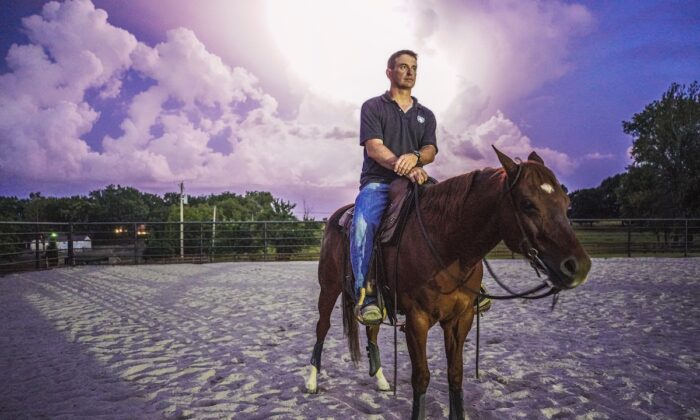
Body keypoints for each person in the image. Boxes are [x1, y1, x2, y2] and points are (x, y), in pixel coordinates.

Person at [350, 50, 437, 324]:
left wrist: (418, 158)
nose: (410, 72)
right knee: (362, 224)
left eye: (414, 67)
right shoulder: (373, 107)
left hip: (417, 179)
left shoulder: (426, 114)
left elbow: (431, 149)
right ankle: (366, 294)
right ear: (390, 72)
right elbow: (375, 148)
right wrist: (406, 165)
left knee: (453, 210)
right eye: (403, 67)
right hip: (379, 182)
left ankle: (471, 285)